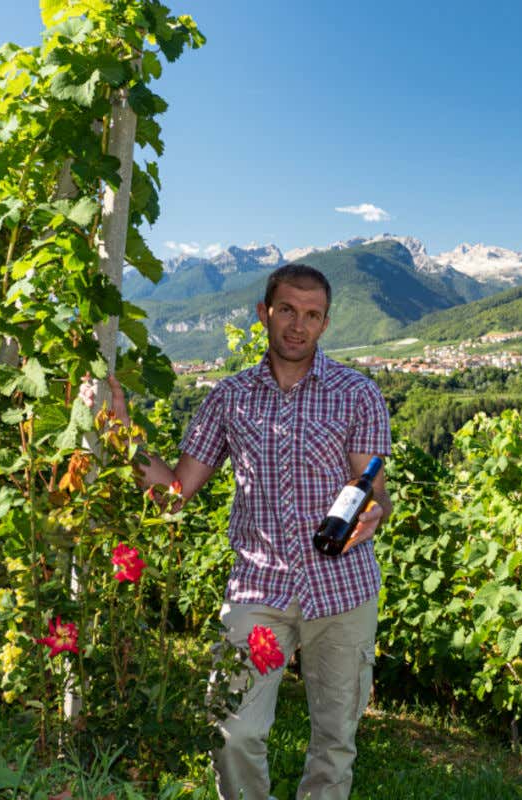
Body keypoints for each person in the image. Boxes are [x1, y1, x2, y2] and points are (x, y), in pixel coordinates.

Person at [109, 263, 393, 800]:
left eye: (312, 316)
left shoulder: (358, 394)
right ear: (264, 312)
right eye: (287, 310)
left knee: (335, 743)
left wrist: (377, 510)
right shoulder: (228, 397)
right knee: (233, 732)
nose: (298, 325)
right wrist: (122, 434)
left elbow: (372, 488)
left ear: (326, 324)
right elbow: (173, 492)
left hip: (344, 590)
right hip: (258, 590)